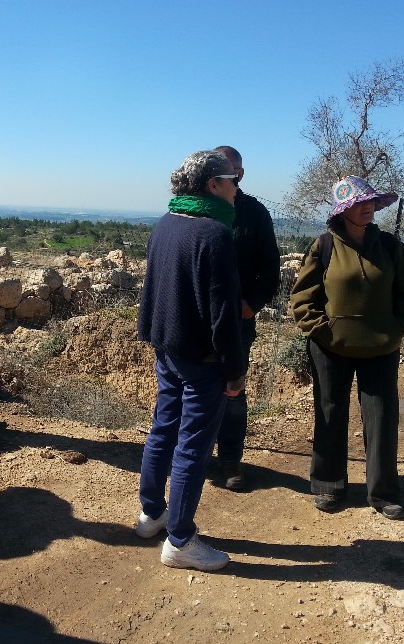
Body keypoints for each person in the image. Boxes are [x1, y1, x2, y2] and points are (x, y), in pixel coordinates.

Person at [135, 150, 246, 572]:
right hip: (203, 357)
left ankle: (151, 515)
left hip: (169, 349)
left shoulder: (166, 223)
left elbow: (155, 290)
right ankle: (180, 539)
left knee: (163, 429)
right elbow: (223, 313)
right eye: (232, 179)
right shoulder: (214, 233)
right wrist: (234, 369)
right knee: (194, 447)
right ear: (213, 185)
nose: (238, 186)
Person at [291, 176, 404, 520]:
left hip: (380, 348)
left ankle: (383, 492)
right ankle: (328, 485)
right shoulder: (324, 246)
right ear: (343, 211)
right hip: (330, 348)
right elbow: (303, 299)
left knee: (382, 418)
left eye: (372, 202)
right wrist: (324, 332)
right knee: (330, 414)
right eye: (359, 203)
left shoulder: (390, 247)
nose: (368, 207)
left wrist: (397, 329)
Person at [212, 146, 280, 491]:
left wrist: (251, 304)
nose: (225, 174)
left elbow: (271, 267)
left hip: (238, 322)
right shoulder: (198, 211)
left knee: (233, 389)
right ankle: (191, 457)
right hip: (198, 322)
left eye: (230, 168)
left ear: (240, 173)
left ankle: (229, 460)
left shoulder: (254, 212)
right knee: (191, 388)